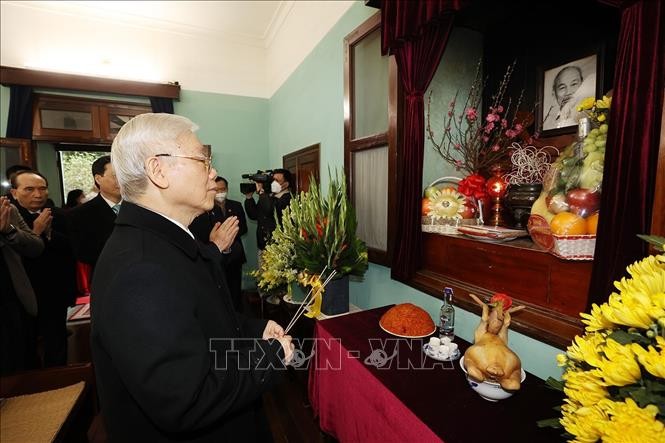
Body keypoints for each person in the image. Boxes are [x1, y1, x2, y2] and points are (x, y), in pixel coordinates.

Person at [91, 113, 294, 442]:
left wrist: (254, 329)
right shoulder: (140, 269)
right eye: (203, 159)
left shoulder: (167, 241)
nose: (213, 172)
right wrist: (269, 357)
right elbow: (185, 399)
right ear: (158, 170)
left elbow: (202, 320)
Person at [10, 170, 76, 367]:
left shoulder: (60, 215)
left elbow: (73, 247)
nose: (38, 195)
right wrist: (35, 233)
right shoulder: (9, 216)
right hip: (21, 293)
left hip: (54, 290)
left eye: (42, 189)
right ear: (14, 193)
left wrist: (49, 236)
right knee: (24, 345)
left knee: (56, 342)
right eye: (29, 189)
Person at [190, 176, 248, 311]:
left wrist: (230, 235)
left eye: (223, 189)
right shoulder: (206, 209)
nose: (220, 192)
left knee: (235, 289)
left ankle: (239, 314)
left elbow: (244, 228)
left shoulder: (236, 205)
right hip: (217, 258)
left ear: (227, 189)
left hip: (236, 255)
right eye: (217, 190)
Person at [0, 196, 43, 374]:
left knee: (22, 362)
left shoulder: (7, 209)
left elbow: (36, 246)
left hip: (12, 297)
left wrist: (8, 230)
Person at [67, 156, 122, 273]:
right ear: (98, 179)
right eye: (115, 176)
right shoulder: (79, 214)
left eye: (124, 175)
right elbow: (83, 254)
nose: (122, 180)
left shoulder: (140, 208)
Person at [543, 65, 594, 130]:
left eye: (574, 84)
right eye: (562, 87)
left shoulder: (591, 114)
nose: (568, 92)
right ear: (554, 93)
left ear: (582, 84)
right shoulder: (547, 124)